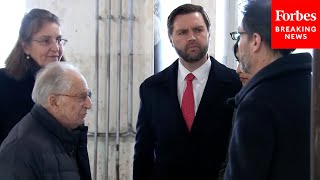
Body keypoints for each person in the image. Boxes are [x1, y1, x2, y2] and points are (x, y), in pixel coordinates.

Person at [133, 4, 242, 180]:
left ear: (209, 33)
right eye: (182, 32)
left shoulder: (235, 84)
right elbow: (143, 154)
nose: (191, 37)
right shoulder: (151, 88)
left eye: (198, 29)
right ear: (170, 38)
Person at [224, 0, 311, 180]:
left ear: (255, 40)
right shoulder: (310, 86)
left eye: (240, 35)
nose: (238, 45)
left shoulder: (256, 104)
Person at [0, 62, 92, 180]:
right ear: (54, 102)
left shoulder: (69, 137)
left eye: (89, 95)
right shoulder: (19, 150)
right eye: (81, 97)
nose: (89, 104)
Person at [0, 8, 67, 145]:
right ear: (25, 47)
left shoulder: (68, 84)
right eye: (46, 41)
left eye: (59, 40)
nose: (56, 48)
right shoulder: (3, 82)